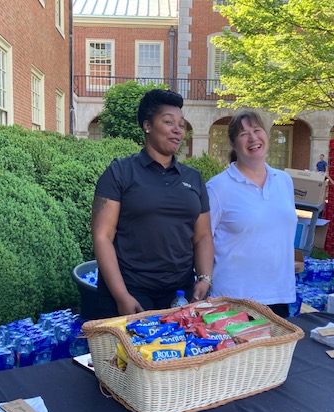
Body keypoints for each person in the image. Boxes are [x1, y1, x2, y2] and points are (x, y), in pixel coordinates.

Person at [91, 89, 214, 318]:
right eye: (168, 122)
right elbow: (102, 236)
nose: (178, 130)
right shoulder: (120, 172)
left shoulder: (193, 178)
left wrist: (205, 278)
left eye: (181, 124)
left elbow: (203, 236)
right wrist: (121, 296)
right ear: (147, 126)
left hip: (179, 294)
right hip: (131, 291)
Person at [206, 111, 297, 318]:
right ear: (233, 144)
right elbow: (203, 240)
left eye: (257, 130)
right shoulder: (218, 188)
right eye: (243, 134)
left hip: (278, 295)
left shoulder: (284, 181)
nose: (253, 138)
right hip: (234, 300)